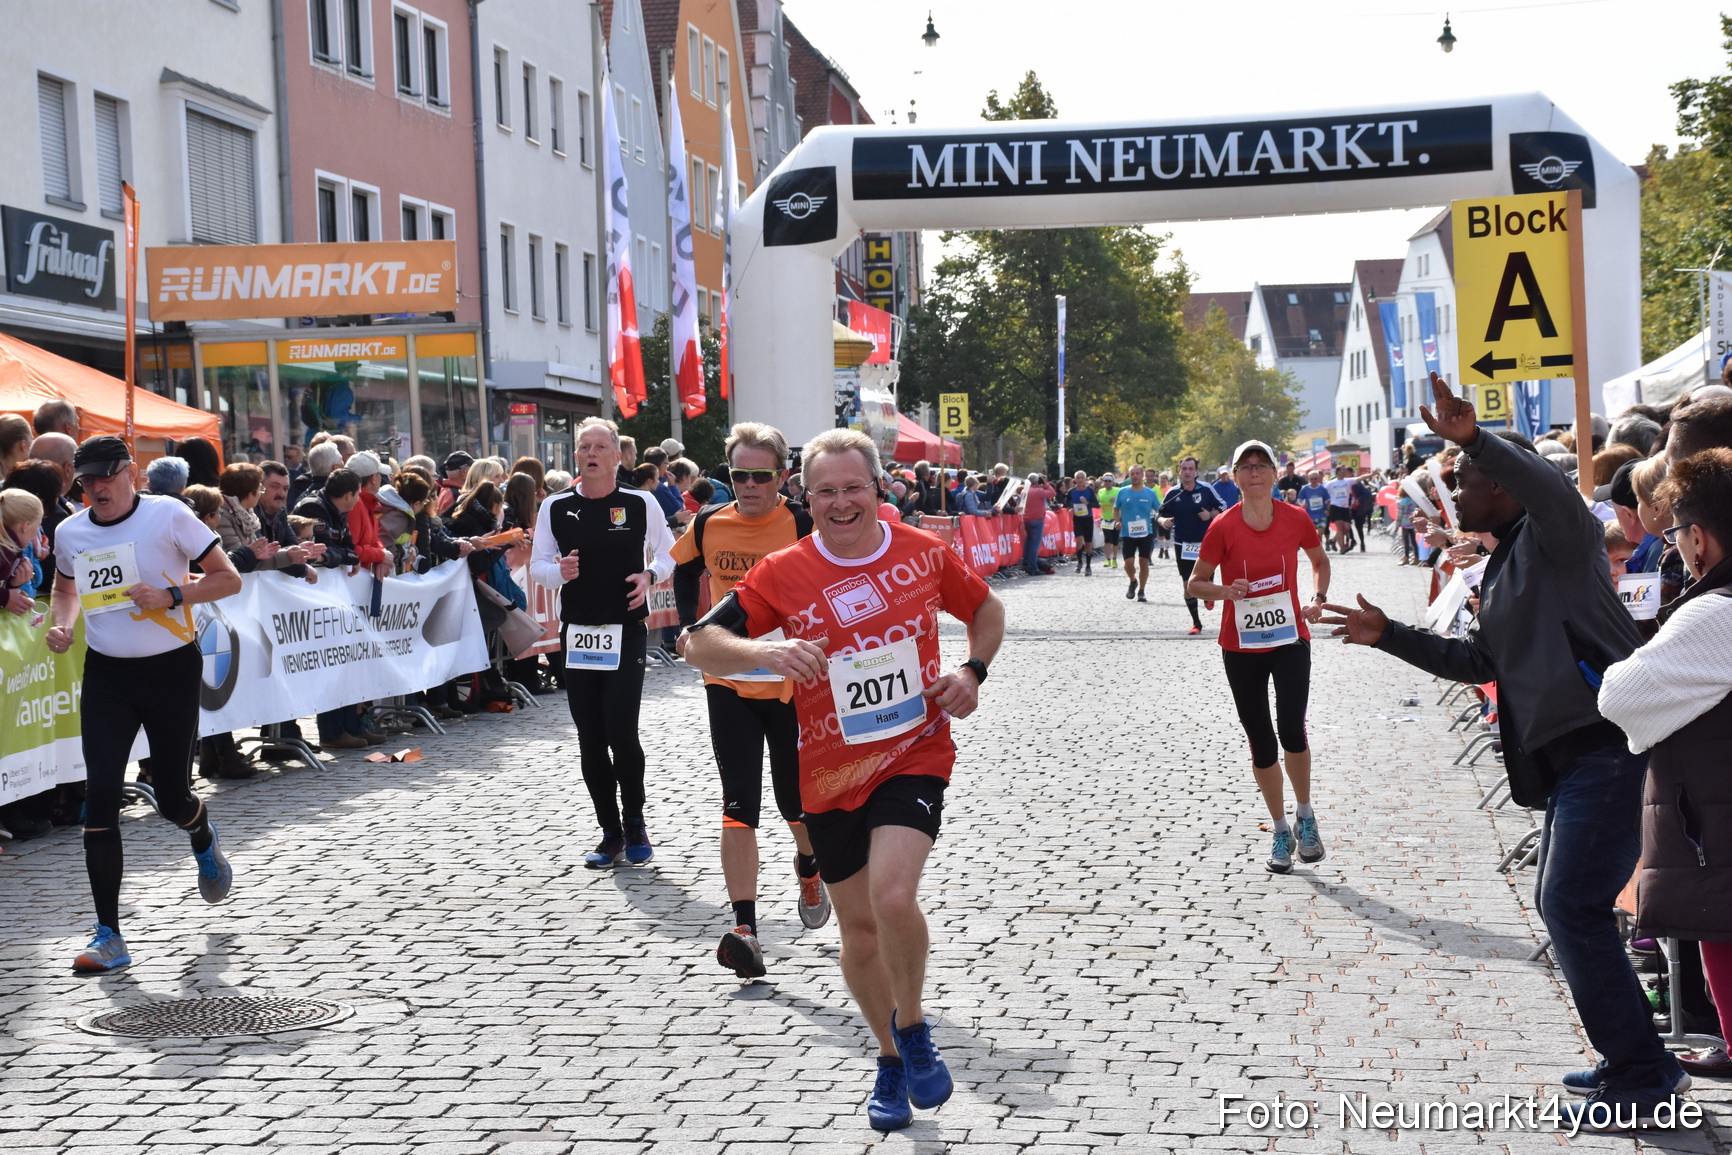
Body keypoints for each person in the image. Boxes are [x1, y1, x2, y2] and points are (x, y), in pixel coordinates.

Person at [1321, 373, 1688, 1130]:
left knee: (1570, 903)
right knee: (1568, 905)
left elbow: (1549, 486)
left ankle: (1644, 1071)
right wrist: (1388, 633)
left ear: (1509, 483)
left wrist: (1473, 435)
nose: (1456, 489)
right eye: (1454, 477)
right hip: (1568, 760)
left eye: (1466, 477)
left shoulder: (1559, 531)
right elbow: (1476, 661)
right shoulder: (1506, 558)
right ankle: (1634, 1060)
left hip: (1606, 746)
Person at [684, 428, 1005, 1133]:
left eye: (853, 486)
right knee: (858, 931)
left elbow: (986, 608)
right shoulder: (784, 570)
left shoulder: (921, 553)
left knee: (893, 895)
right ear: (807, 494)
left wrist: (971, 672)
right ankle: (890, 1057)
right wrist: (768, 651)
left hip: (913, 751)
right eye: (825, 490)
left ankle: (914, 1024)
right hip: (827, 772)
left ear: (878, 486)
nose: (840, 502)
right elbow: (698, 640)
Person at [44, 436, 242, 973]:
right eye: (86, 480)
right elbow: (65, 590)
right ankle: (109, 934)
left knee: (171, 795)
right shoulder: (70, 531)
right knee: (101, 794)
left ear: (131, 472)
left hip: (171, 669)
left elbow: (229, 579)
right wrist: (62, 625)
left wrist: (172, 595)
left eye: (106, 476)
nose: (96, 488)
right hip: (108, 674)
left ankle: (200, 831)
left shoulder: (169, 517)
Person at [670, 422, 830, 980]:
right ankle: (745, 928)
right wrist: (692, 627)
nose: (750, 485)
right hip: (729, 679)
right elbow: (685, 569)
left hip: (792, 684)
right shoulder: (711, 520)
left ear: (783, 477)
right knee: (738, 800)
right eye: (739, 475)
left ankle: (809, 865)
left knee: (795, 804)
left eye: (761, 476)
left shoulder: (804, 523)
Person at [1599, 448, 1732, 1080]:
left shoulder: (1713, 612)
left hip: (1717, 814)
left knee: (1721, 923)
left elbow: (1619, 695)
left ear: (1699, 538)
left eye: (1677, 535)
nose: (1674, 549)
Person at [529, 418, 676, 868]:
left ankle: (635, 823)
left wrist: (650, 575)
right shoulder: (554, 506)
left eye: (599, 446)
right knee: (590, 737)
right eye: (583, 447)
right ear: (576, 456)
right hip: (578, 632)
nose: (591, 453)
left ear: (617, 456)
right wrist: (561, 573)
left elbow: (670, 552)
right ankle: (609, 832)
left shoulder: (640, 502)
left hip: (625, 629)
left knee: (621, 730)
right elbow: (538, 566)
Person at [1186, 441, 1331, 873]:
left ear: (1273, 474)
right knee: (1260, 739)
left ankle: (1306, 814)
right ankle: (1280, 829)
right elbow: (1196, 583)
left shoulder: (1297, 518)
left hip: (1290, 638)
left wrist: (1318, 597)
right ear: (1234, 478)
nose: (1254, 473)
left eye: (1261, 466)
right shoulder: (1223, 527)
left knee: (1292, 727)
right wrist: (1225, 591)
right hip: (1241, 645)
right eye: (1245, 467)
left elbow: (1320, 561)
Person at [1158, 456, 1225, 633]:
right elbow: (1159, 514)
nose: (1187, 472)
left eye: (1190, 469)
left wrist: (1211, 514)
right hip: (1183, 544)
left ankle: (1208, 591)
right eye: (1184, 469)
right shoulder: (1173, 493)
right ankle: (1196, 623)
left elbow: (1224, 507)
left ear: (1196, 471)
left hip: (1206, 543)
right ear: (1179, 471)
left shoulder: (1206, 489)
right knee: (1188, 584)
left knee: (1206, 579)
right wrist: (1163, 520)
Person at [1115, 465, 1159, 601]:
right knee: (1128, 563)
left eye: (1137, 473)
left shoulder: (1150, 493)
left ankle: (1142, 590)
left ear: (1142, 475)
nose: (1135, 476)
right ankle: (1133, 581)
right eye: (1132, 473)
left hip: (1146, 533)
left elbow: (1159, 509)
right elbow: (1116, 508)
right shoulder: (1122, 492)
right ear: (1129, 475)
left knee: (1144, 563)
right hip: (1128, 533)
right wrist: (1117, 521)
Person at [1020, 474, 1054, 575]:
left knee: (1029, 543)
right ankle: (1033, 568)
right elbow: (1052, 493)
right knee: (1035, 545)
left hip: (1026, 519)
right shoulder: (1039, 491)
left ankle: (1026, 563)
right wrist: (1045, 483)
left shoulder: (1024, 491)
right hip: (1037, 519)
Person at [1065, 471, 1098, 574]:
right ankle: (1079, 562)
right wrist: (1070, 508)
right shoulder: (1071, 491)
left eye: (1082, 478)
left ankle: (1088, 566)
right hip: (1078, 519)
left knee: (1088, 543)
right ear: (1075, 480)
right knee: (1079, 541)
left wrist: (1087, 503)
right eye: (1078, 478)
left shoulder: (1090, 491)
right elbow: (1067, 502)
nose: (1080, 480)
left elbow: (1096, 505)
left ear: (1085, 479)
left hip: (1088, 519)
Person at [1323, 463, 1357, 553]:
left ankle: (1333, 540)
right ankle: (1342, 548)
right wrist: (1326, 506)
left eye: (1345, 470)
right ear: (1338, 472)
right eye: (1343, 470)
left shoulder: (1348, 481)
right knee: (1340, 527)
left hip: (1345, 507)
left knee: (1347, 528)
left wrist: (1372, 474)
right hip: (1335, 506)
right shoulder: (1331, 483)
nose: (1345, 471)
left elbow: (1360, 478)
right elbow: (1322, 492)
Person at [1096, 472, 1121, 569]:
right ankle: (1107, 559)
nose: (1107, 482)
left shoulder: (1118, 490)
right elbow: (1099, 503)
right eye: (1105, 481)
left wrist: (1115, 500)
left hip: (1115, 519)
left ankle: (1114, 559)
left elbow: (1121, 503)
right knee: (1106, 540)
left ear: (1113, 482)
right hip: (1105, 519)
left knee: (1115, 541)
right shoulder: (1101, 491)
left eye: (1109, 481)